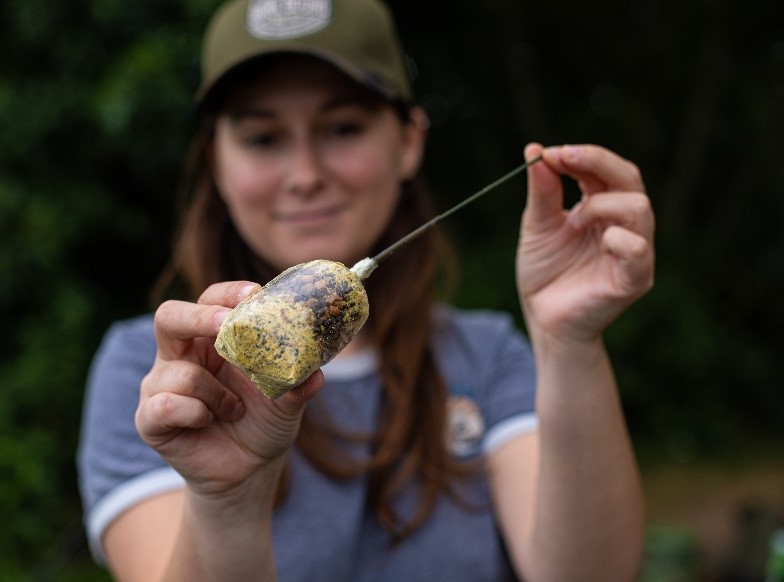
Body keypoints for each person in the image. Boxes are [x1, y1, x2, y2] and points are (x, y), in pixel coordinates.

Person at [77, 0, 655, 580]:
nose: (305, 175)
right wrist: (226, 500)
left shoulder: (489, 356)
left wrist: (568, 342)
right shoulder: (164, 379)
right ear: (216, 163)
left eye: (343, 129)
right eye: (262, 138)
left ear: (408, 142)